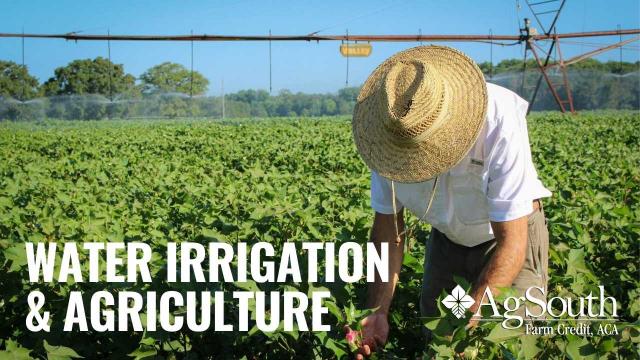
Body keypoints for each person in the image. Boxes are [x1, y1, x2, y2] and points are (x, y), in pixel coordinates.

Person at [349, 45, 551, 358]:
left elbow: (512, 242)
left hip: (512, 237)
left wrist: (474, 312)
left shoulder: (497, 117)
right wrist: (378, 310)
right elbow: (388, 233)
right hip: (447, 239)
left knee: (507, 338)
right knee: (440, 339)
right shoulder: (385, 138)